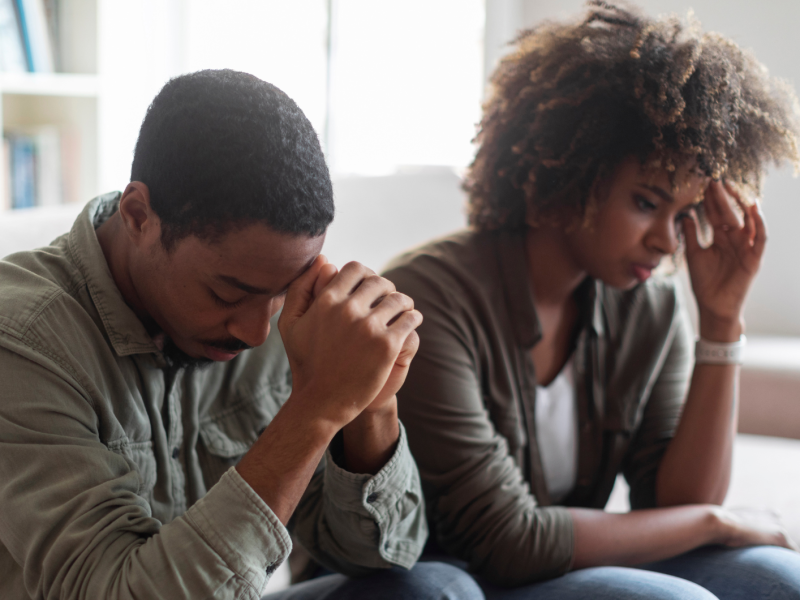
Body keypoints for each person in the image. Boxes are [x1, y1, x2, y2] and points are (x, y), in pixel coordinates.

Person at [0, 70, 484, 600]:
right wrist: (315, 410)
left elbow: (382, 555)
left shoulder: (288, 317)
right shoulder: (23, 342)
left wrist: (370, 400)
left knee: (437, 589)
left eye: (281, 292)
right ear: (139, 216)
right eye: (228, 294)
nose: (257, 333)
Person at [383, 2, 800, 598]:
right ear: (567, 176)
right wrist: (723, 520)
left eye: (682, 215)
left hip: (547, 568)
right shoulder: (430, 301)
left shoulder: (648, 307)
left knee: (778, 578)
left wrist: (721, 323)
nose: (665, 241)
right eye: (645, 202)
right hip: (440, 572)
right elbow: (508, 542)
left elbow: (673, 504)